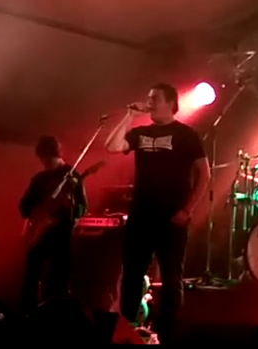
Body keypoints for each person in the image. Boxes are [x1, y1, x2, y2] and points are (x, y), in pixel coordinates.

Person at [104, 83, 210, 343]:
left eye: (154, 98)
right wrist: (129, 115)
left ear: (170, 103)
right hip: (141, 215)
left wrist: (187, 209)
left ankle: (166, 333)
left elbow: (204, 174)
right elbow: (112, 146)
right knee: (131, 273)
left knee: (171, 277)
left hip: (172, 218)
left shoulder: (186, 134)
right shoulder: (140, 133)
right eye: (148, 98)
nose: (149, 102)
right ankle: (128, 329)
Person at [19, 136, 87, 314]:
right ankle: (29, 313)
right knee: (31, 275)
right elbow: (24, 206)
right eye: (42, 160)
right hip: (40, 233)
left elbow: (82, 207)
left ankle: (59, 315)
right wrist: (37, 213)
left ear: (58, 156)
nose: (45, 163)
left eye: (48, 160)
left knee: (60, 277)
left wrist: (69, 206)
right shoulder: (39, 179)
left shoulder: (72, 176)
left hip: (61, 233)